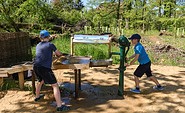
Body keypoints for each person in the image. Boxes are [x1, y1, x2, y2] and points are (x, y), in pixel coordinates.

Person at [33, 30, 70, 111]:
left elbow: (43, 54)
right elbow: (59, 54)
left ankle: (37, 97)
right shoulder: (50, 45)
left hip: (36, 66)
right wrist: (61, 54)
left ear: (40, 38)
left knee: (40, 81)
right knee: (55, 85)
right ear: (49, 37)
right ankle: (60, 106)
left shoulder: (38, 45)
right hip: (45, 68)